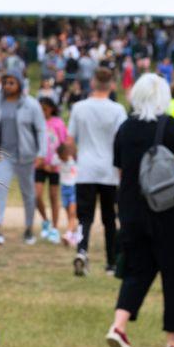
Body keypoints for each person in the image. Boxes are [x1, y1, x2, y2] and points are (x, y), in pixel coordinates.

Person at [105, 74, 174, 347]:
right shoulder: (172, 127)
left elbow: (122, 174)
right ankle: (173, 339)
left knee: (136, 270)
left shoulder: (124, 129)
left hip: (132, 210)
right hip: (169, 210)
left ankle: (118, 326)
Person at [68, 67, 127, 276]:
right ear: (112, 85)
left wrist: (77, 157)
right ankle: (111, 262)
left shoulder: (79, 108)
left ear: (93, 83)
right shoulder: (118, 110)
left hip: (86, 169)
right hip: (110, 171)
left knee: (85, 217)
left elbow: (69, 141)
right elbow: (122, 141)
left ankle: (82, 250)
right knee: (110, 218)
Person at [0, 71, 46, 245]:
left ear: (19, 84)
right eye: (5, 83)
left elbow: (41, 130)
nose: (7, 86)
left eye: (11, 82)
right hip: (4, 154)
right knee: (0, 188)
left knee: (28, 194)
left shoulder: (31, 104)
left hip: (26, 156)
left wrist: (42, 153)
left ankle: (28, 229)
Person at [35, 97, 66, 244]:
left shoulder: (58, 123)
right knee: (36, 195)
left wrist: (57, 162)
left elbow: (63, 145)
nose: (42, 112)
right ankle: (46, 221)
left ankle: (54, 228)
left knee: (54, 196)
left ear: (51, 109)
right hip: (40, 165)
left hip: (55, 166)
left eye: (45, 109)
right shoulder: (36, 123)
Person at [57, 141, 80, 246]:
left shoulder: (73, 160)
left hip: (73, 188)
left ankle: (68, 234)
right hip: (64, 189)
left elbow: (74, 148)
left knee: (72, 213)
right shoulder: (59, 161)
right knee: (69, 215)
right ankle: (74, 236)